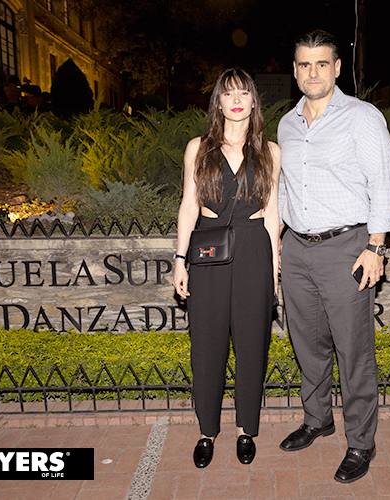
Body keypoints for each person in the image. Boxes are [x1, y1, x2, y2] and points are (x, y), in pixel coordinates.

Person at [277, 30, 390, 483]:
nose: (313, 72)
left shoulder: (362, 117)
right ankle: (317, 420)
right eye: (305, 64)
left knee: (353, 351)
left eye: (322, 64)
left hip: (348, 247)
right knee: (307, 344)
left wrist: (376, 246)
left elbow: (382, 183)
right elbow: (285, 189)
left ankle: (361, 442)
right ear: (295, 70)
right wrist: (278, 245)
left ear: (337, 68)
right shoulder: (287, 124)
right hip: (296, 249)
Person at [173, 68, 281, 469]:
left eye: (243, 93)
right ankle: (207, 432)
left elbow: (272, 214)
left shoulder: (271, 152)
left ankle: (245, 430)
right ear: (218, 102)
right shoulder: (198, 148)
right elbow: (189, 205)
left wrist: (274, 270)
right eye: (228, 93)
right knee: (207, 346)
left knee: (253, 345)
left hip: (254, 251)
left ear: (253, 102)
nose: (236, 100)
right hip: (209, 253)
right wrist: (180, 259)